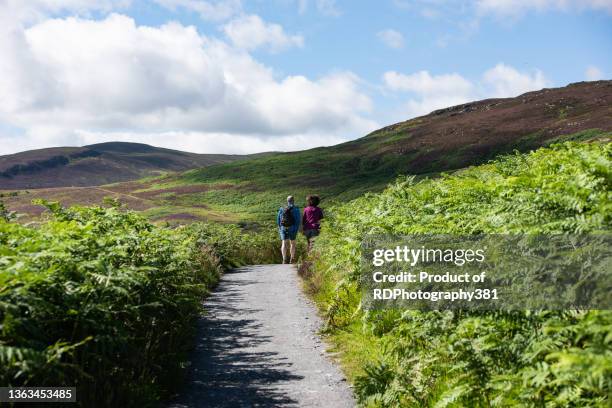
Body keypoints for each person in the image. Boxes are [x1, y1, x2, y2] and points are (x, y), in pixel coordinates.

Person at [277, 195, 301, 264]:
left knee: (284, 242)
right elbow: (298, 220)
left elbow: (278, 219)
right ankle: (292, 259)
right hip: (293, 228)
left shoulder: (282, 209)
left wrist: (280, 227)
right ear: (293, 200)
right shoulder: (296, 209)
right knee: (292, 243)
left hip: (283, 228)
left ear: (287, 201)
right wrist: (296, 229)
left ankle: (284, 259)